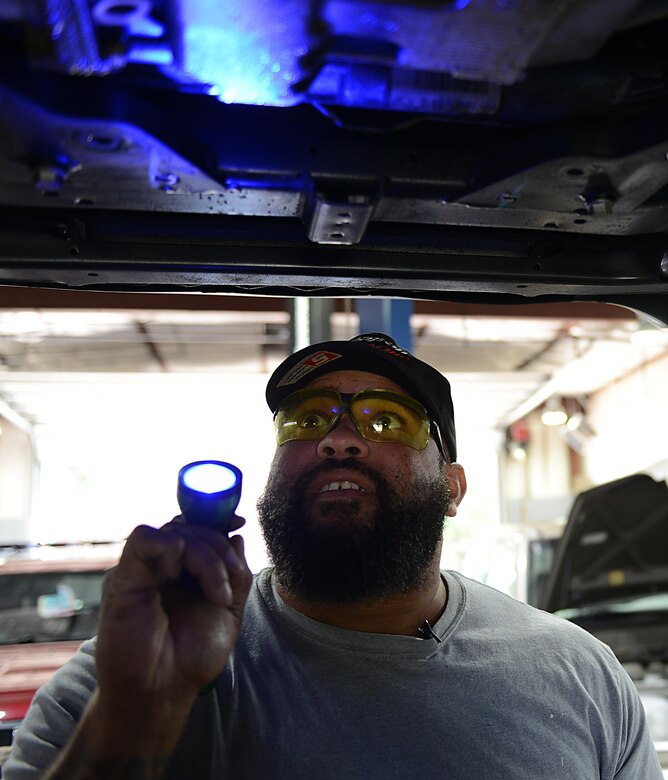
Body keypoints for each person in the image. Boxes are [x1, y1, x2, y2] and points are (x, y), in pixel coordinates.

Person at [4, 332, 662, 779]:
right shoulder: (118, 681)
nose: (337, 440)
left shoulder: (580, 675)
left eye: (386, 421)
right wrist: (140, 712)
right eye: (307, 419)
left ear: (453, 488)